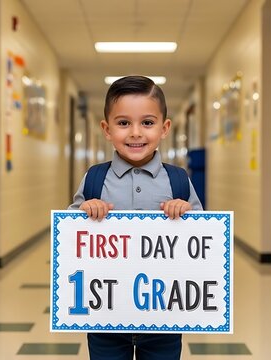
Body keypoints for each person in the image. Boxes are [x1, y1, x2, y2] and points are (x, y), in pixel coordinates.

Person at [68, 75, 203, 359]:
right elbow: (70, 235)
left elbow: (202, 242)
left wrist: (185, 212)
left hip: (164, 316)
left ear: (165, 128)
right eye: (123, 123)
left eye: (147, 122)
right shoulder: (94, 178)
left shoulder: (178, 180)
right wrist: (85, 210)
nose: (136, 133)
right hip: (105, 315)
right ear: (106, 129)